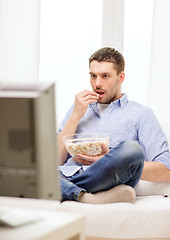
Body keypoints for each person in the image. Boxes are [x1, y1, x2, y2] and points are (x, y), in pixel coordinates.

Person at [57, 47, 170, 204]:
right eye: (93, 76)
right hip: (67, 175)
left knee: (132, 149)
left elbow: (166, 170)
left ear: (120, 77)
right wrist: (75, 116)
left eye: (105, 76)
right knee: (30, 172)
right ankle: (85, 196)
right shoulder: (77, 108)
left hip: (109, 177)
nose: (97, 83)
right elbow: (54, 160)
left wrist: (108, 161)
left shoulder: (142, 114)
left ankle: (67, 191)